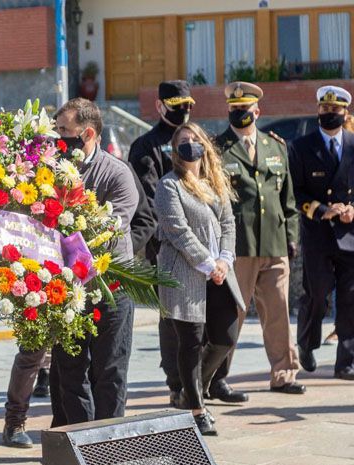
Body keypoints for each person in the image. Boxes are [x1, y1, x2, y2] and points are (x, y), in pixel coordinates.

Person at [48, 98, 139, 427]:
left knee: (110, 371)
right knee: (70, 372)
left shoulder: (117, 173)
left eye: (63, 131)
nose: (57, 138)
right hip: (67, 290)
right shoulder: (50, 172)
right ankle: (79, 442)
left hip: (110, 287)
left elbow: (110, 228)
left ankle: (108, 443)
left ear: (87, 134)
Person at [155, 122, 247, 435]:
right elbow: (177, 231)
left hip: (220, 271)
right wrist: (209, 264)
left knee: (225, 337)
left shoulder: (214, 182)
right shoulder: (170, 185)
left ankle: (194, 389)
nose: (190, 144)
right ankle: (196, 408)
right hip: (185, 272)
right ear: (175, 149)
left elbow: (228, 224)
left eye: (195, 139)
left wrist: (225, 259)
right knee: (191, 342)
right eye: (183, 140)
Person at [214, 82, 305, 395]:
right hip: (238, 245)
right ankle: (217, 377)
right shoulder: (218, 147)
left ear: (257, 111)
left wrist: (292, 237)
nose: (240, 113)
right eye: (235, 109)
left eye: (245, 109)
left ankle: (284, 374)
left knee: (278, 312)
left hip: (275, 242)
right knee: (232, 314)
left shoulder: (275, 146)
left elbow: (288, 200)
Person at [128, 80, 195, 406]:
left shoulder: (196, 141)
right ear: (160, 106)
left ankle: (209, 378)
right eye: (175, 104)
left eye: (187, 105)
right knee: (173, 317)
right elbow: (150, 200)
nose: (183, 110)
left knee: (205, 314)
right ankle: (176, 382)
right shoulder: (146, 146)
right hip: (166, 245)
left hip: (201, 243)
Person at [290, 85, 354, 381]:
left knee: (350, 298)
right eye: (325, 109)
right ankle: (307, 343)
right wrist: (318, 209)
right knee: (317, 295)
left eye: (335, 110)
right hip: (317, 233)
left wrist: (352, 207)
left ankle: (346, 361)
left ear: (345, 112)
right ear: (318, 111)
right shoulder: (301, 147)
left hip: (349, 233)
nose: (330, 114)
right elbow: (295, 190)